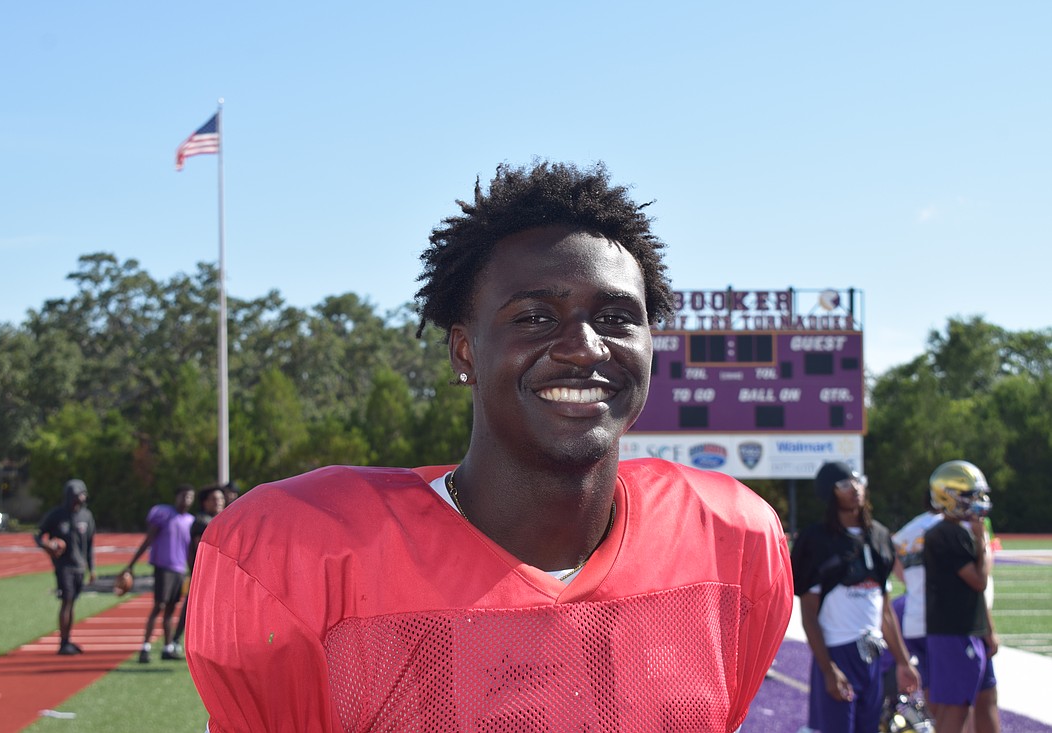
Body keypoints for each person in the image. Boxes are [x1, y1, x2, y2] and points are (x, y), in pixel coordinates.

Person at [186, 161, 794, 732]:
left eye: (616, 317)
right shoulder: (305, 549)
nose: (584, 347)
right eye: (535, 316)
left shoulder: (729, 538)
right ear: (464, 351)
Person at [791, 462, 919, 733]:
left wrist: (903, 661)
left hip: (873, 655)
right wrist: (828, 668)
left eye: (858, 481)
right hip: (838, 651)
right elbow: (809, 614)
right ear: (830, 492)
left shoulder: (880, 537)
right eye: (845, 485)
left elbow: (885, 612)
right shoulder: (817, 540)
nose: (856, 489)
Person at [923, 460, 1000, 732]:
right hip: (953, 631)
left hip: (969, 629)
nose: (978, 502)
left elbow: (976, 593)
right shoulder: (944, 534)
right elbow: (979, 580)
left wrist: (987, 628)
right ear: (949, 496)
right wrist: (984, 543)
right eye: (970, 496)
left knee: (984, 698)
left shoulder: (959, 531)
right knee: (956, 708)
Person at [125, 483, 195, 663]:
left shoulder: (190, 520)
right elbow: (149, 539)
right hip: (163, 567)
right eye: (183, 495)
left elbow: (188, 550)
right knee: (159, 606)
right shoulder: (163, 514)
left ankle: (167, 647)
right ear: (177, 497)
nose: (186, 499)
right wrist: (131, 564)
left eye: (190, 496)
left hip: (179, 569)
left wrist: (193, 571)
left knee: (171, 609)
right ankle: (145, 647)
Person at [35, 478, 96, 655]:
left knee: (72, 603)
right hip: (64, 566)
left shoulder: (87, 516)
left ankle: (67, 640)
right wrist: (46, 546)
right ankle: (63, 643)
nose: (82, 498)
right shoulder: (56, 515)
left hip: (79, 567)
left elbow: (90, 544)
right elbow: (38, 534)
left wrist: (91, 568)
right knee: (67, 601)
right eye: (79, 494)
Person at [891, 492, 943, 695]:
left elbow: (893, 551)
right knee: (955, 698)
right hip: (943, 622)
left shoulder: (912, 527)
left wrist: (911, 582)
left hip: (914, 617)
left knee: (930, 686)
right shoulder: (950, 525)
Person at [172, 483, 227, 646]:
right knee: (194, 608)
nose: (218, 502)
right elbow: (202, 550)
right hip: (205, 574)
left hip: (214, 573)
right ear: (205, 502)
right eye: (214, 499)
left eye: (220, 499)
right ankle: (177, 641)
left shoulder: (219, 519)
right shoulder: (202, 522)